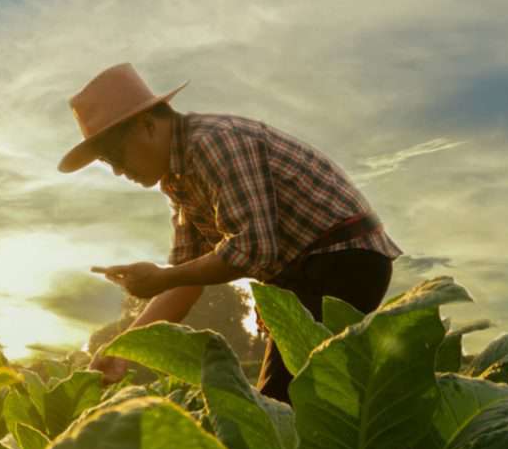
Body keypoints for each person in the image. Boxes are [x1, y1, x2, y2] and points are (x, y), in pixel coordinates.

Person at [62, 62, 402, 403]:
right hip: (305, 275)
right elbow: (185, 282)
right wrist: (123, 349)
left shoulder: (212, 143)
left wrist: (163, 277)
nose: (120, 172)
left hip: (344, 259)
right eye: (110, 165)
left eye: (117, 157)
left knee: (281, 407)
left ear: (147, 125)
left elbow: (253, 251)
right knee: (296, 403)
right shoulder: (179, 180)